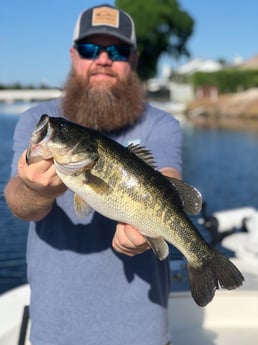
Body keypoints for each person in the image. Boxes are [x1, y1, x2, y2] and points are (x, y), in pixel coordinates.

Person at [5, 4, 182, 345]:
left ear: (133, 59)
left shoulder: (161, 123)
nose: (103, 59)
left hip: (143, 333)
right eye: (90, 49)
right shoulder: (37, 121)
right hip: (55, 332)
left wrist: (148, 226)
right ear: (74, 56)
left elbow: (168, 179)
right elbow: (17, 202)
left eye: (116, 50)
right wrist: (35, 189)